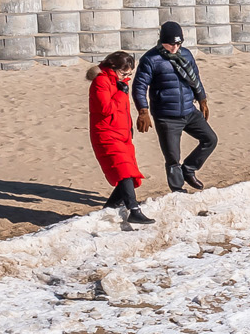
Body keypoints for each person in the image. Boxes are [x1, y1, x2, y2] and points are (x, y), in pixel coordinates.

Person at [133, 21, 216, 194]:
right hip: (166, 116)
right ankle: (178, 190)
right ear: (162, 41)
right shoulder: (150, 59)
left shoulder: (185, 54)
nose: (175, 47)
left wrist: (202, 99)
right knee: (172, 158)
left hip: (189, 111)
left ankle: (189, 169)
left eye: (178, 43)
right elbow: (139, 87)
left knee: (210, 139)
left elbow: (195, 78)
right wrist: (143, 111)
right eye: (171, 44)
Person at [87, 51, 152, 226]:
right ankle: (134, 209)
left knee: (129, 174)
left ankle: (109, 208)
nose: (127, 77)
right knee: (124, 170)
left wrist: (130, 127)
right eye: (124, 73)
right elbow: (106, 108)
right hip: (106, 133)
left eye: (129, 74)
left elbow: (122, 110)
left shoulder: (119, 82)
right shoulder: (101, 81)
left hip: (122, 133)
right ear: (113, 67)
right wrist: (121, 93)